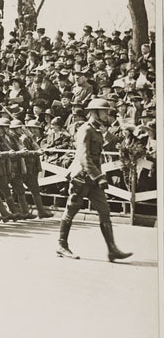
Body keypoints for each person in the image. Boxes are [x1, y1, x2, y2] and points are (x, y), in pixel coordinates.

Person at [57, 98, 132, 262]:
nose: (107, 114)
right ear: (94, 112)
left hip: (93, 180)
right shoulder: (85, 129)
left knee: (104, 211)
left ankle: (112, 249)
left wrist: (99, 176)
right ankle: (62, 245)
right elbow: (84, 157)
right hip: (82, 178)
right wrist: (99, 176)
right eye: (104, 111)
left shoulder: (97, 130)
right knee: (71, 211)